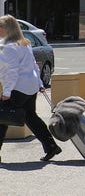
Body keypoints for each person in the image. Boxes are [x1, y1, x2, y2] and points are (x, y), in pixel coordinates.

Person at [0, 15, 62, 163]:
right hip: (30, 86)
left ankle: (51, 146)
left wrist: (7, 92)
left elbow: (11, 71)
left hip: (17, 87)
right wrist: (40, 83)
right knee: (31, 117)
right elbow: (33, 65)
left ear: (7, 28)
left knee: (1, 119)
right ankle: (51, 146)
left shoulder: (8, 47)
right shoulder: (24, 43)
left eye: (0, 27)